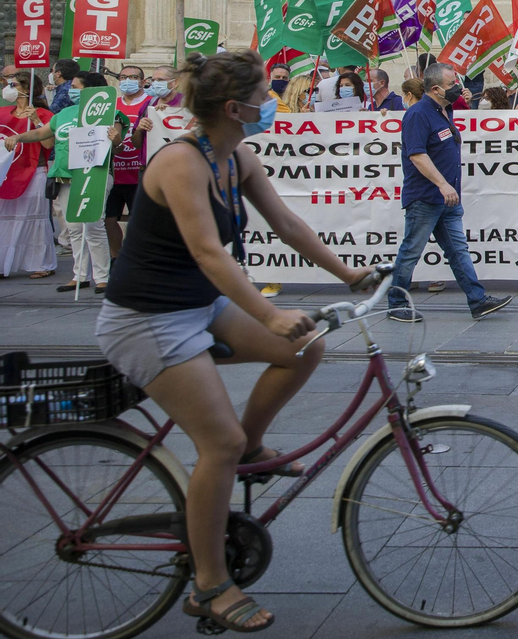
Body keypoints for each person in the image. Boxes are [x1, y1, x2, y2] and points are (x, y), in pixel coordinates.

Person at [93, 50, 378, 633]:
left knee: (308, 344)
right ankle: (209, 584)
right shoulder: (181, 162)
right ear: (233, 108)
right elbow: (207, 252)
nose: (272, 101)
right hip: (147, 318)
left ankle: (252, 446)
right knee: (216, 442)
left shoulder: (236, 156)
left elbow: (288, 225)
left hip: (198, 304)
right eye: (265, 94)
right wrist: (270, 314)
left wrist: (350, 273)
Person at [386, 62, 513, 322]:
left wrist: (448, 188)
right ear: (435, 88)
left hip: (448, 199)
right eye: (452, 84)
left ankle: (477, 300)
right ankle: (396, 303)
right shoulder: (419, 114)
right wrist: (442, 184)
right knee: (411, 250)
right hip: (426, 197)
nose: (458, 87)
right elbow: (417, 155)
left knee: (458, 251)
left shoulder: (446, 110)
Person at [7, 71, 125, 294]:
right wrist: (19, 136)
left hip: (95, 173)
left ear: (91, 91)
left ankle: (102, 277)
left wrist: (115, 138)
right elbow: (43, 133)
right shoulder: (63, 113)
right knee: (74, 227)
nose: (72, 91)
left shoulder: (111, 112)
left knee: (93, 224)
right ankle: (79, 275)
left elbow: (117, 143)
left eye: (77, 87)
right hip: (65, 173)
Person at [0, 77, 56, 280]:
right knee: (4, 220)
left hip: (34, 170)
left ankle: (41, 263)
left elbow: (49, 145)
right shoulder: (2, 113)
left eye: (13, 85)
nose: (8, 88)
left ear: (27, 89)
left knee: (35, 218)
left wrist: (36, 121)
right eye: (7, 84)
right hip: (6, 173)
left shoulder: (44, 114)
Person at [105, 63, 153, 258]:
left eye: (133, 77)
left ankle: (137, 258)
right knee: (108, 219)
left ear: (143, 81)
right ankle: (116, 259)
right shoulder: (111, 105)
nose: (127, 81)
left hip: (139, 172)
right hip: (112, 172)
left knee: (139, 220)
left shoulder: (152, 103)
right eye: (123, 77)